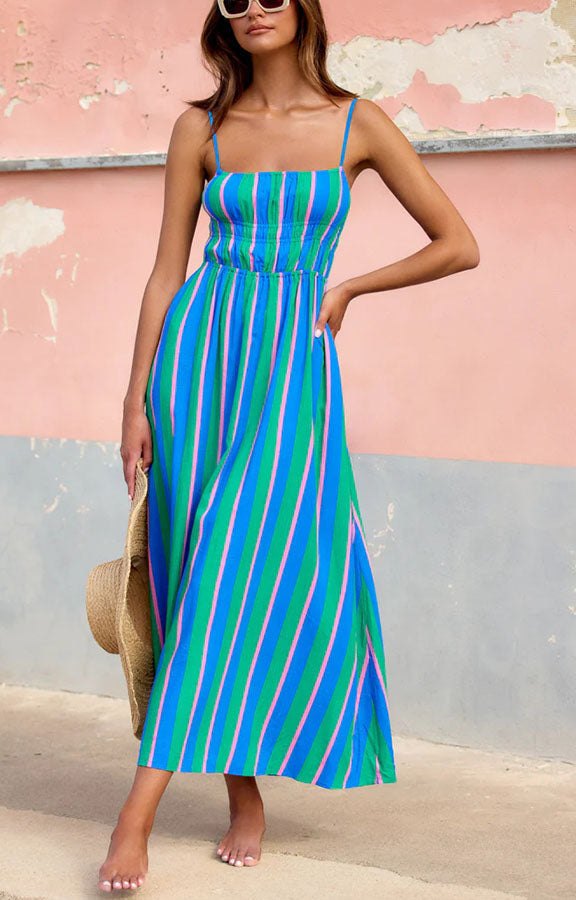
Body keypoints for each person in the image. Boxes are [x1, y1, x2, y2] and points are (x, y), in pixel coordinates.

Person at [98, 0, 479, 891]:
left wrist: (347, 289)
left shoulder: (358, 124)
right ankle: (245, 797)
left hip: (292, 371)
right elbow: (166, 272)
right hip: (198, 366)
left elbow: (459, 245)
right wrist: (134, 399)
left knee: (241, 569)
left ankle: (134, 815)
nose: (253, 8)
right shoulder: (200, 130)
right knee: (199, 578)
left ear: (304, 8)